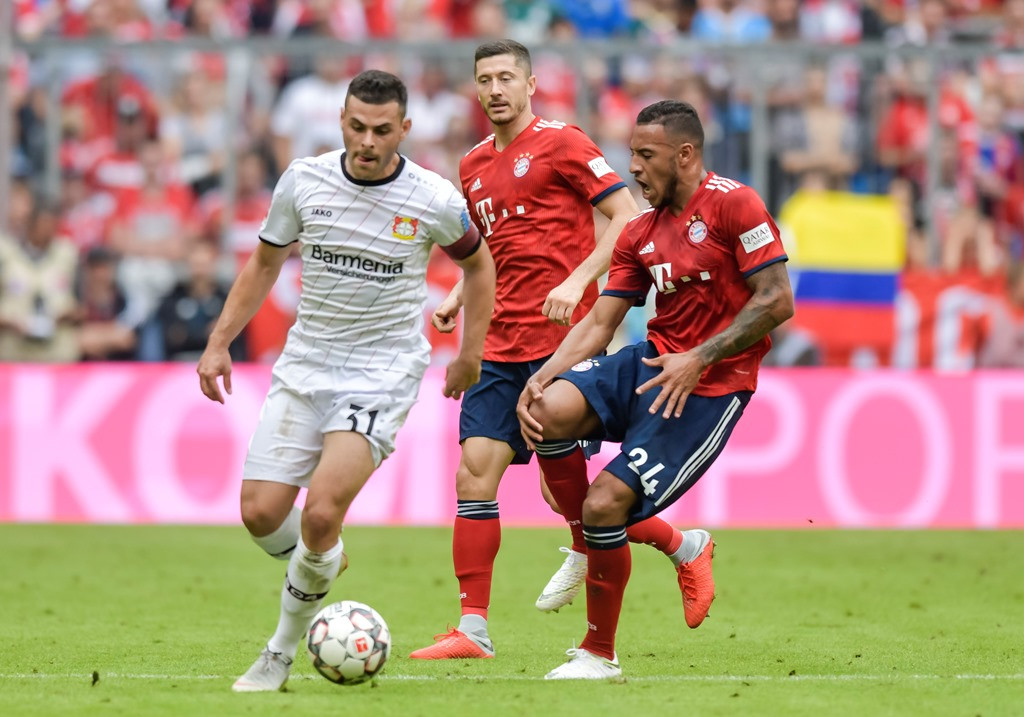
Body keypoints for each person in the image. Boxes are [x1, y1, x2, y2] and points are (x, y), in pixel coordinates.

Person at [195, 69, 495, 692]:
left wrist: (470, 353)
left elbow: (479, 264)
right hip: (306, 364)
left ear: (404, 129)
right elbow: (265, 262)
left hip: (381, 372)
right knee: (259, 513)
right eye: (356, 127)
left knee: (321, 512)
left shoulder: (433, 197)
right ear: (340, 121)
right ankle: (323, 560)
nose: (367, 141)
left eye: (381, 130)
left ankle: (278, 653)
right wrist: (219, 342)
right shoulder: (304, 180)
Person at [410, 40, 700, 662]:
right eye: (485, 79)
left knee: (563, 496)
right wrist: (458, 296)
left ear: (530, 84)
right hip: (497, 342)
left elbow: (626, 216)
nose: (495, 89)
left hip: (559, 343)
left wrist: (577, 280)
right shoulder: (473, 164)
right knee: (473, 474)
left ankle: (678, 544)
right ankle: (472, 628)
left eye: (505, 77)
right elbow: (491, 251)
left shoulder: (563, 142)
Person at [516, 99, 794, 679]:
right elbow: (601, 322)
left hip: (711, 387)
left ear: (685, 154)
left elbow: (776, 300)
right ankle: (593, 544)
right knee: (548, 411)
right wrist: (542, 375)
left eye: (646, 155)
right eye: (632, 154)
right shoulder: (639, 230)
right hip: (651, 363)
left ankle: (599, 654)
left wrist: (700, 357)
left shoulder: (735, 204)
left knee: (603, 504)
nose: (634, 168)